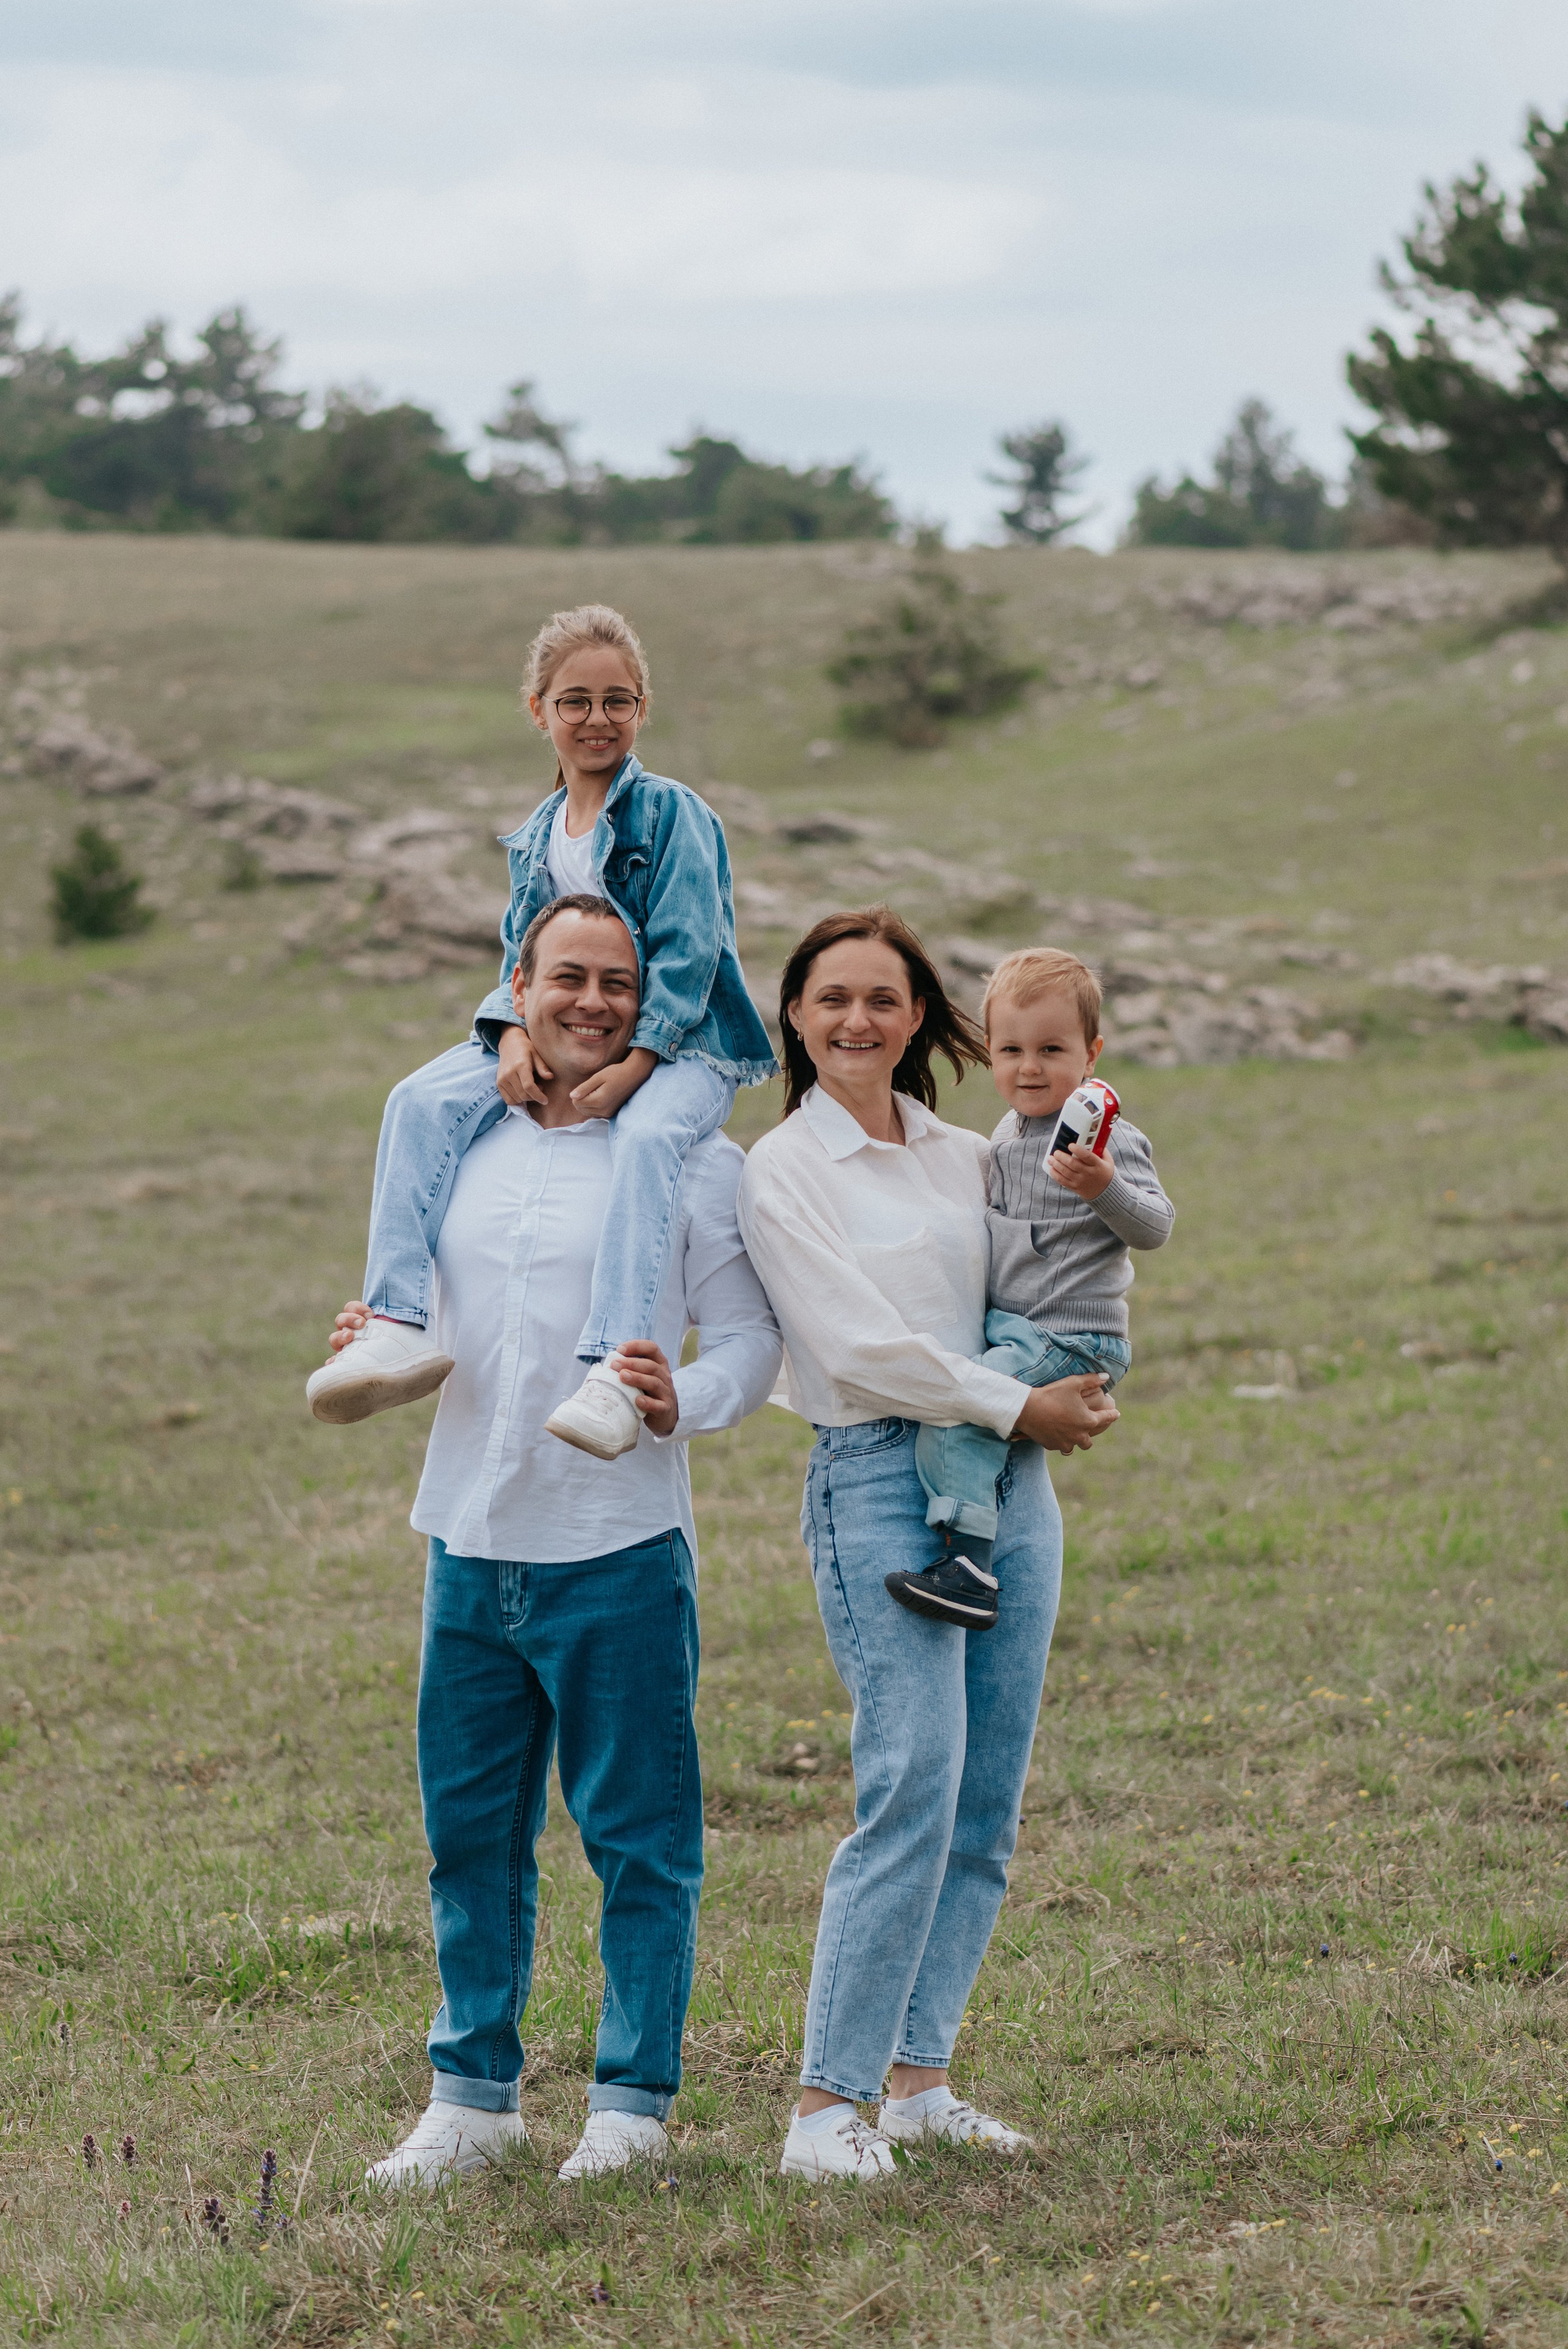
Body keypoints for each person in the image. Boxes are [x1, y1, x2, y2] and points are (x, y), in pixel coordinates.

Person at [334, 896, 780, 2188]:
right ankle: (471, 2103)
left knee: (639, 1837)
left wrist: (676, 1399)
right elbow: (416, 1303)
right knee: (469, 1835)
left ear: (649, 1008)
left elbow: (748, 1345)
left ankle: (631, 2109)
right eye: (567, 977)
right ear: (515, 984)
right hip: (467, 1537)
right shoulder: (455, 1136)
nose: (592, 1002)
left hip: (618, 1544)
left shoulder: (689, 1158)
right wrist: (369, 1328)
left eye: (619, 986)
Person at [735, 907, 1119, 2182]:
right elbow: (851, 1348)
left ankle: (917, 2082)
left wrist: (1075, 1367)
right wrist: (1020, 1403)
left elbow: (1057, 1265)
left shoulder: (975, 1153)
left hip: (1012, 1482)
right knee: (911, 1780)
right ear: (794, 1015)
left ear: (919, 1021)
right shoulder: (782, 1169)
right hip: (879, 1477)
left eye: (883, 1000)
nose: (857, 1020)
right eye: (831, 998)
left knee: (985, 1799)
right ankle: (820, 2110)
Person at [306, 603, 777, 1459]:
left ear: (642, 709)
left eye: (618, 701)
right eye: (576, 701)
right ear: (539, 710)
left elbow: (690, 949)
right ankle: (398, 1320)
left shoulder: (673, 814)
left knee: (643, 1140)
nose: (597, 719)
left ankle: (610, 1369)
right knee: (417, 1098)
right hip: (562, 1028)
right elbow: (516, 958)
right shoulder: (534, 838)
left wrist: (640, 1063)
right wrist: (511, 1034)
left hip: (687, 1043)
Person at [899, 947, 1174, 1627]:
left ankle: (965, 1567)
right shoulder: (1007, 1134)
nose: (1029, 1068)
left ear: (1092, 1055)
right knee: (977, 1406)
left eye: (1052, 1049)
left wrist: (1104, 1186)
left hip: (1071, 1334)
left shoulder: (1108, 1141)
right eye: (1010, 1050)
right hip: (1022, 1330)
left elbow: (1156, 1227)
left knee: (960, 1410)